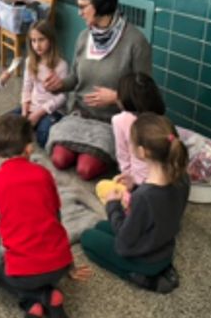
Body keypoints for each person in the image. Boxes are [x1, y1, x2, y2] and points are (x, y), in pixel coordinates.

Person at [0, 115, 91, 318]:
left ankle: (40, 299)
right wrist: (69, 266)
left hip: (25, 276)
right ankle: (48, 300)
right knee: (30, 262)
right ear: (29, 148)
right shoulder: (44, 174)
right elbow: (57, 221)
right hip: (59, 266)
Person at [44, 0, 152, 181]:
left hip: (111, 121)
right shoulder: (85, 37)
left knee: (86, 169)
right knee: (59, 159)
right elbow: (75, 78)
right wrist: (60, 85)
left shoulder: (136, 43)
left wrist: (116, 97)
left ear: (102, 6)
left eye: (83, 7)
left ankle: (104, 151)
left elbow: (145, 93)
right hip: (81, 114)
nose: (79, 12)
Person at [80, 113, 190, 294]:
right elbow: (159, 204)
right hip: (164, 247)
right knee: (100, 226)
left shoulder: (144, 197)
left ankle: (140, 276)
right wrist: (135, 185)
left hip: (144, 258)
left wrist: (112, 204)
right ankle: (162, 268)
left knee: (88, 237)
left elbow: (124, 241)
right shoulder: (182, 177)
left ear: (142, 152)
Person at [95, 72, 166, 206]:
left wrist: (128, 183)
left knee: (101, 187)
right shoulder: (161, 120)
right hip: (162, 183)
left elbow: (123, 156)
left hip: (138, 185)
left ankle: (126, 200)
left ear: (124, 99)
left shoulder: (120, 120)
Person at [17, 20, 68, 148]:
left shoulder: (61, 65)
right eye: (33, 40)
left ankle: (39, 127)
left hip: (52, 110)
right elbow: (26, 88)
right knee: (6, 124)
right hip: (32, 107)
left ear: (50, 40)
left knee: (42, 137)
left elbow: (62, 97)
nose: (37, 45)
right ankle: (32, 126)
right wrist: (24, 113)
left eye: (41, 40)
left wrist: (38, 114)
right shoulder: (30, 61)